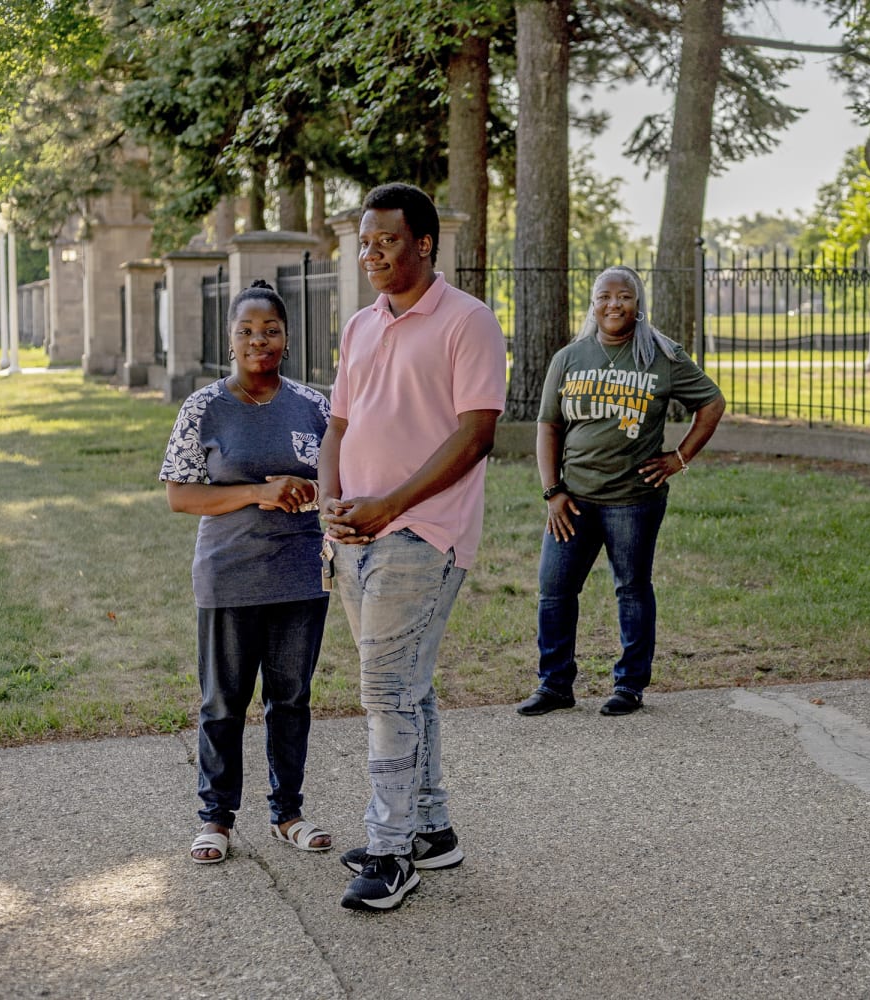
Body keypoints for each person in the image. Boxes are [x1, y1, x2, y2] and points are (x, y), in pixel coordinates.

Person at [319, 183, 507, 912]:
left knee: (384, 692)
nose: (371, 253)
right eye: (365, 242)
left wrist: (389, 505)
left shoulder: (468, 321)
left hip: (422, 534)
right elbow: (338, 423)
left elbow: (477, 431)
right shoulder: (361, 325)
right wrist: (333, 504)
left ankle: (390, 853)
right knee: (407, 685)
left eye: (386, 241)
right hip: (355, 534)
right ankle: (430, 830)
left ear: (424, 243)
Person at [160, 280, 334, 865]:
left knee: (291, 699)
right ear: (229, 340)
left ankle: (288, 813)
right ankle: (216, 818)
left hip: (301, 575)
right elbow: (181, 497)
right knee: (223, 703)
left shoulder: (315, 406)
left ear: (287, 340)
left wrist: (312, 491)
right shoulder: (205, 407)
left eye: (271, 330)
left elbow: (342, 479)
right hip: (229, 575)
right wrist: (261, 491)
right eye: (247, 331)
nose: (259, 340)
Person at [516, 266, 726, 719]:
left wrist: (679, 458)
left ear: (638, 304)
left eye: (625, 296)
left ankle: (629, 685)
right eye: (605, 296)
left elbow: (712, 403)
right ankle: (554, 685)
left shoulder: (662, 356)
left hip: (633, 500)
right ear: (593, 304)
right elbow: (549, 426)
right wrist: (552, 490)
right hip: (572, 498)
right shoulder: (569, 358)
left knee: (631, 588)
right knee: (554, 590)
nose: (614, 304)